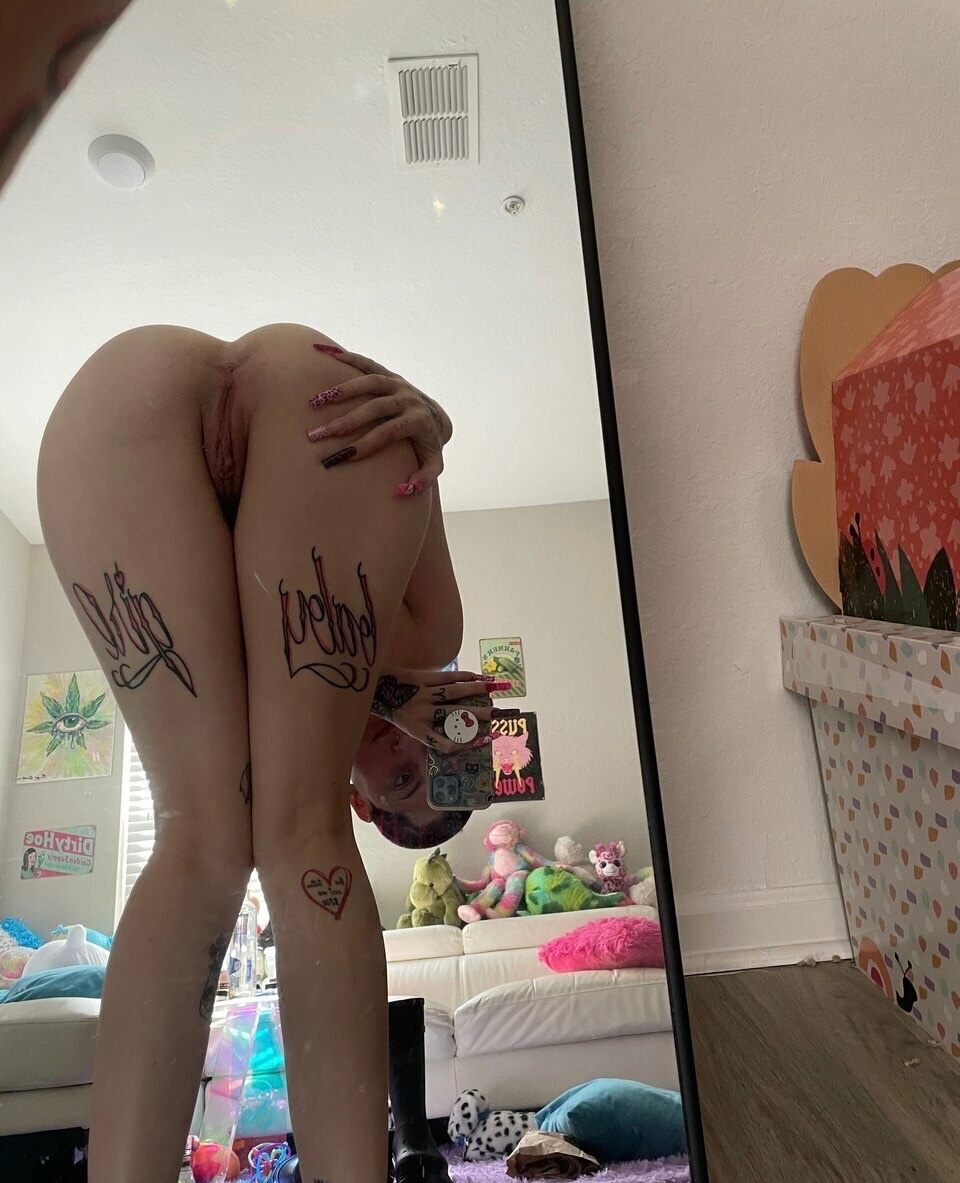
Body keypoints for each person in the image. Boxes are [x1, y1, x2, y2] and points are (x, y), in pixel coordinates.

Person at [37, 323, 491, 1183]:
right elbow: (413, 477)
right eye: (424, 758)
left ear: (365, 797)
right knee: (266, 836)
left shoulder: (401, 651)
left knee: (204, 838)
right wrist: (431, 431)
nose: (406, 747)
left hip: (117, 398)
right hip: (317, 405)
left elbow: (260, 655)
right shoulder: (433, 634)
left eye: (401, 777)